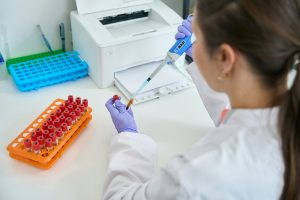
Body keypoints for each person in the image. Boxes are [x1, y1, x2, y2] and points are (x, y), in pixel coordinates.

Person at [104, 0, 300, 199]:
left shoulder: (197, 173)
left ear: (225, 57)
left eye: (197, 38)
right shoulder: (285, 110)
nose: (192, 45)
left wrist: (129, 140)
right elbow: (232, 119)